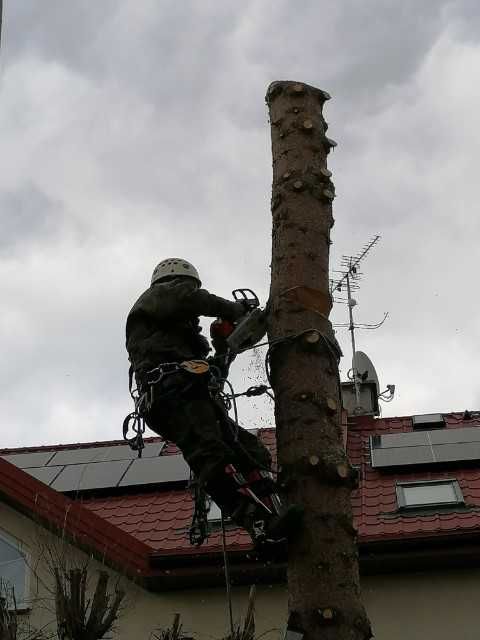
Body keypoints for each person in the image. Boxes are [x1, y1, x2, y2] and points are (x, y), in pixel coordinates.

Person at [125, 258, 301, 546]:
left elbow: (213, 377)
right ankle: (254, 518)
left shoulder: (185, 340)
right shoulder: (156, 298)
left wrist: (224, 348)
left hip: (192, 395)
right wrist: (233, 309)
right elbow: (189, 298)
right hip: (171, 396)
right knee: (211, 453)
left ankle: (274, 509)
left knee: (249, 449)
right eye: (189, 288)